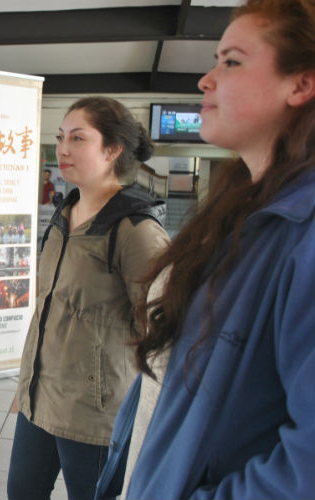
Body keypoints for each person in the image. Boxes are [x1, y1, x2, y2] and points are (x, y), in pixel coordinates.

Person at [95, 1, 315, 498]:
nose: (206, 79)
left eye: (231, 61)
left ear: (301, 84)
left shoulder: (302, 233)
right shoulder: (240, 214)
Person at [8, 96, 170, 500]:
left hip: (95, 413)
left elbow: (165, 332)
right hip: (39, 396)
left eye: (78, 138)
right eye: (61, 137)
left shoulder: (135, 231)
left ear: (113, 150)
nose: (63, 148)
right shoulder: (64, 213)